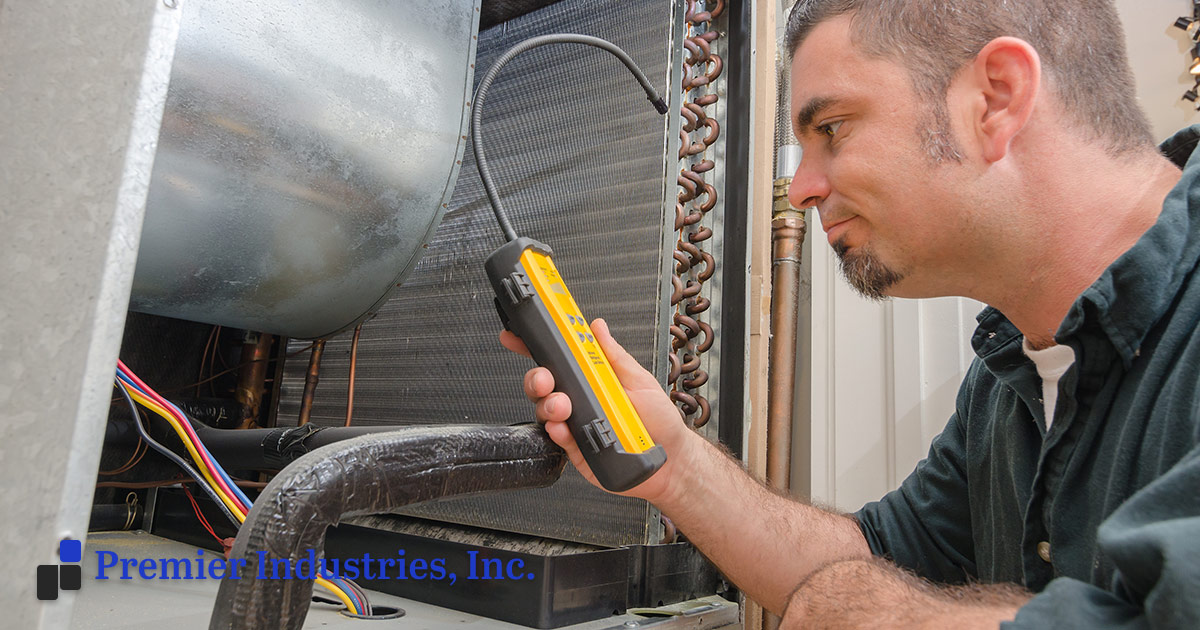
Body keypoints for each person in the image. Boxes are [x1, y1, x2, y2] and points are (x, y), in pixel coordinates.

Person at [501, 0, 1200, 627]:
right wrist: (675, 464)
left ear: (997, 97)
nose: (802, 189)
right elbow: (882, 556)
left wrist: (884, 614)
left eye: (832, 128)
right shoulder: (1009, 371)